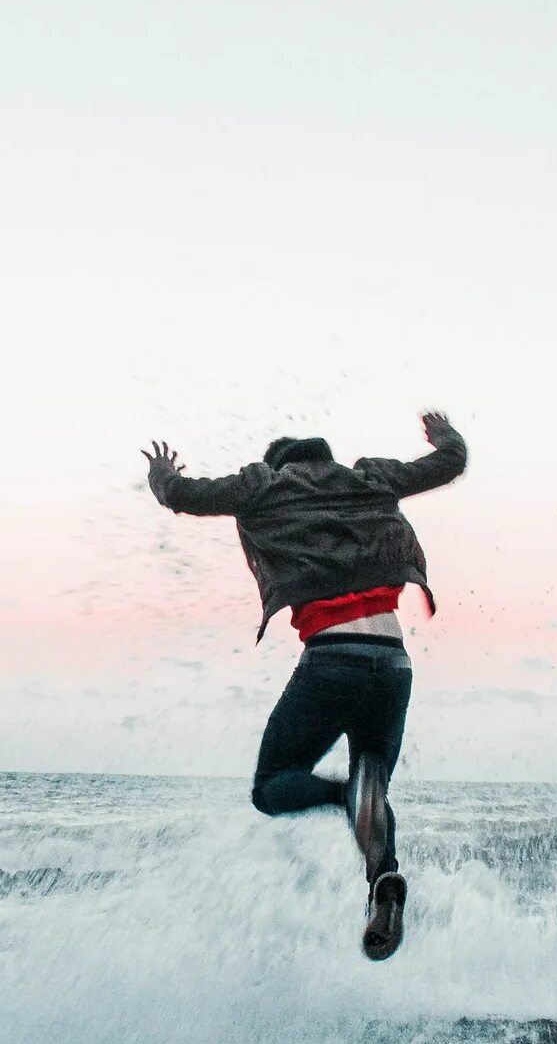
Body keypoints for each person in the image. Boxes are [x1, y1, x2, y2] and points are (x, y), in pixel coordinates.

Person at [143, 411, 468, 959]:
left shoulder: (264, 487)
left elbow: (184, 495)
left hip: (332, 659)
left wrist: (161, 474)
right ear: (324, 456)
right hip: (393, 664)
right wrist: (443, 433)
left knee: (272, 787)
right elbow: (449, 461)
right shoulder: (369, 479)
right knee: (375, 785)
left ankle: (346, 796)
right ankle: (383, 882)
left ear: (280, 466)